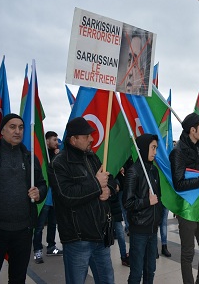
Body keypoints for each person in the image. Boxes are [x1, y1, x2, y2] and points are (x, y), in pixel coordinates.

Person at [48, 117, 115, 284]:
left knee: (107, 280)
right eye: (86, 136)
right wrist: (97, 184)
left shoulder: (92, 157)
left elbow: (110, 179)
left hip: (101, 235)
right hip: (78, 239)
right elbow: (66, 195)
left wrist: (109, 190)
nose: (92, 139)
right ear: (73, 139)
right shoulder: (59, 163)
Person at [0, 113, 47, 283]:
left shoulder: (30, 158)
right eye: (12, 127)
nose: (17, 131)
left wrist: (39, 193)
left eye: (21, 127)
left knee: (18, 278)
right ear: (2, 131)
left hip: (23, 231)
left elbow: (43, 184)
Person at [169, 113, 199, 284]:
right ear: (192, 130)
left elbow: (195, 170)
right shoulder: (177, 152)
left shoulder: (198, 148)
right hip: (187, 208)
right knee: (188, 253)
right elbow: (178, 183)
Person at [123, 134, 163, 283]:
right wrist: (147, 201)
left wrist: (157, 215)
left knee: (150, 269)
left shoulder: (154, 170)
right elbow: (127, 203)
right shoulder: (134, 171)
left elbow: (158, 198)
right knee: (136, 272)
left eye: (156, 148)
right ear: (144, 148)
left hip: (153, 229)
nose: (155, 152)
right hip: (139, 230)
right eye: (152, 148)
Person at [33, 131, 63, 264]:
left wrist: (58, 156)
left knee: (52, 224)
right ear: (47, 141)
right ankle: (37, 251)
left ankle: (51, 247)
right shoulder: (43, 157)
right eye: (54, 140)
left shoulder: (57, 155)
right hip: (44, 198)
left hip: (54, 198)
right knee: (39, 227)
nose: (57, 142)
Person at [110, 178, 130, 267]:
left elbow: (117, 187)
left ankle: (123, 257)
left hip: (115, 210)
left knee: (120, 234)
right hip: (103, 211)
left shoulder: (112, 175)